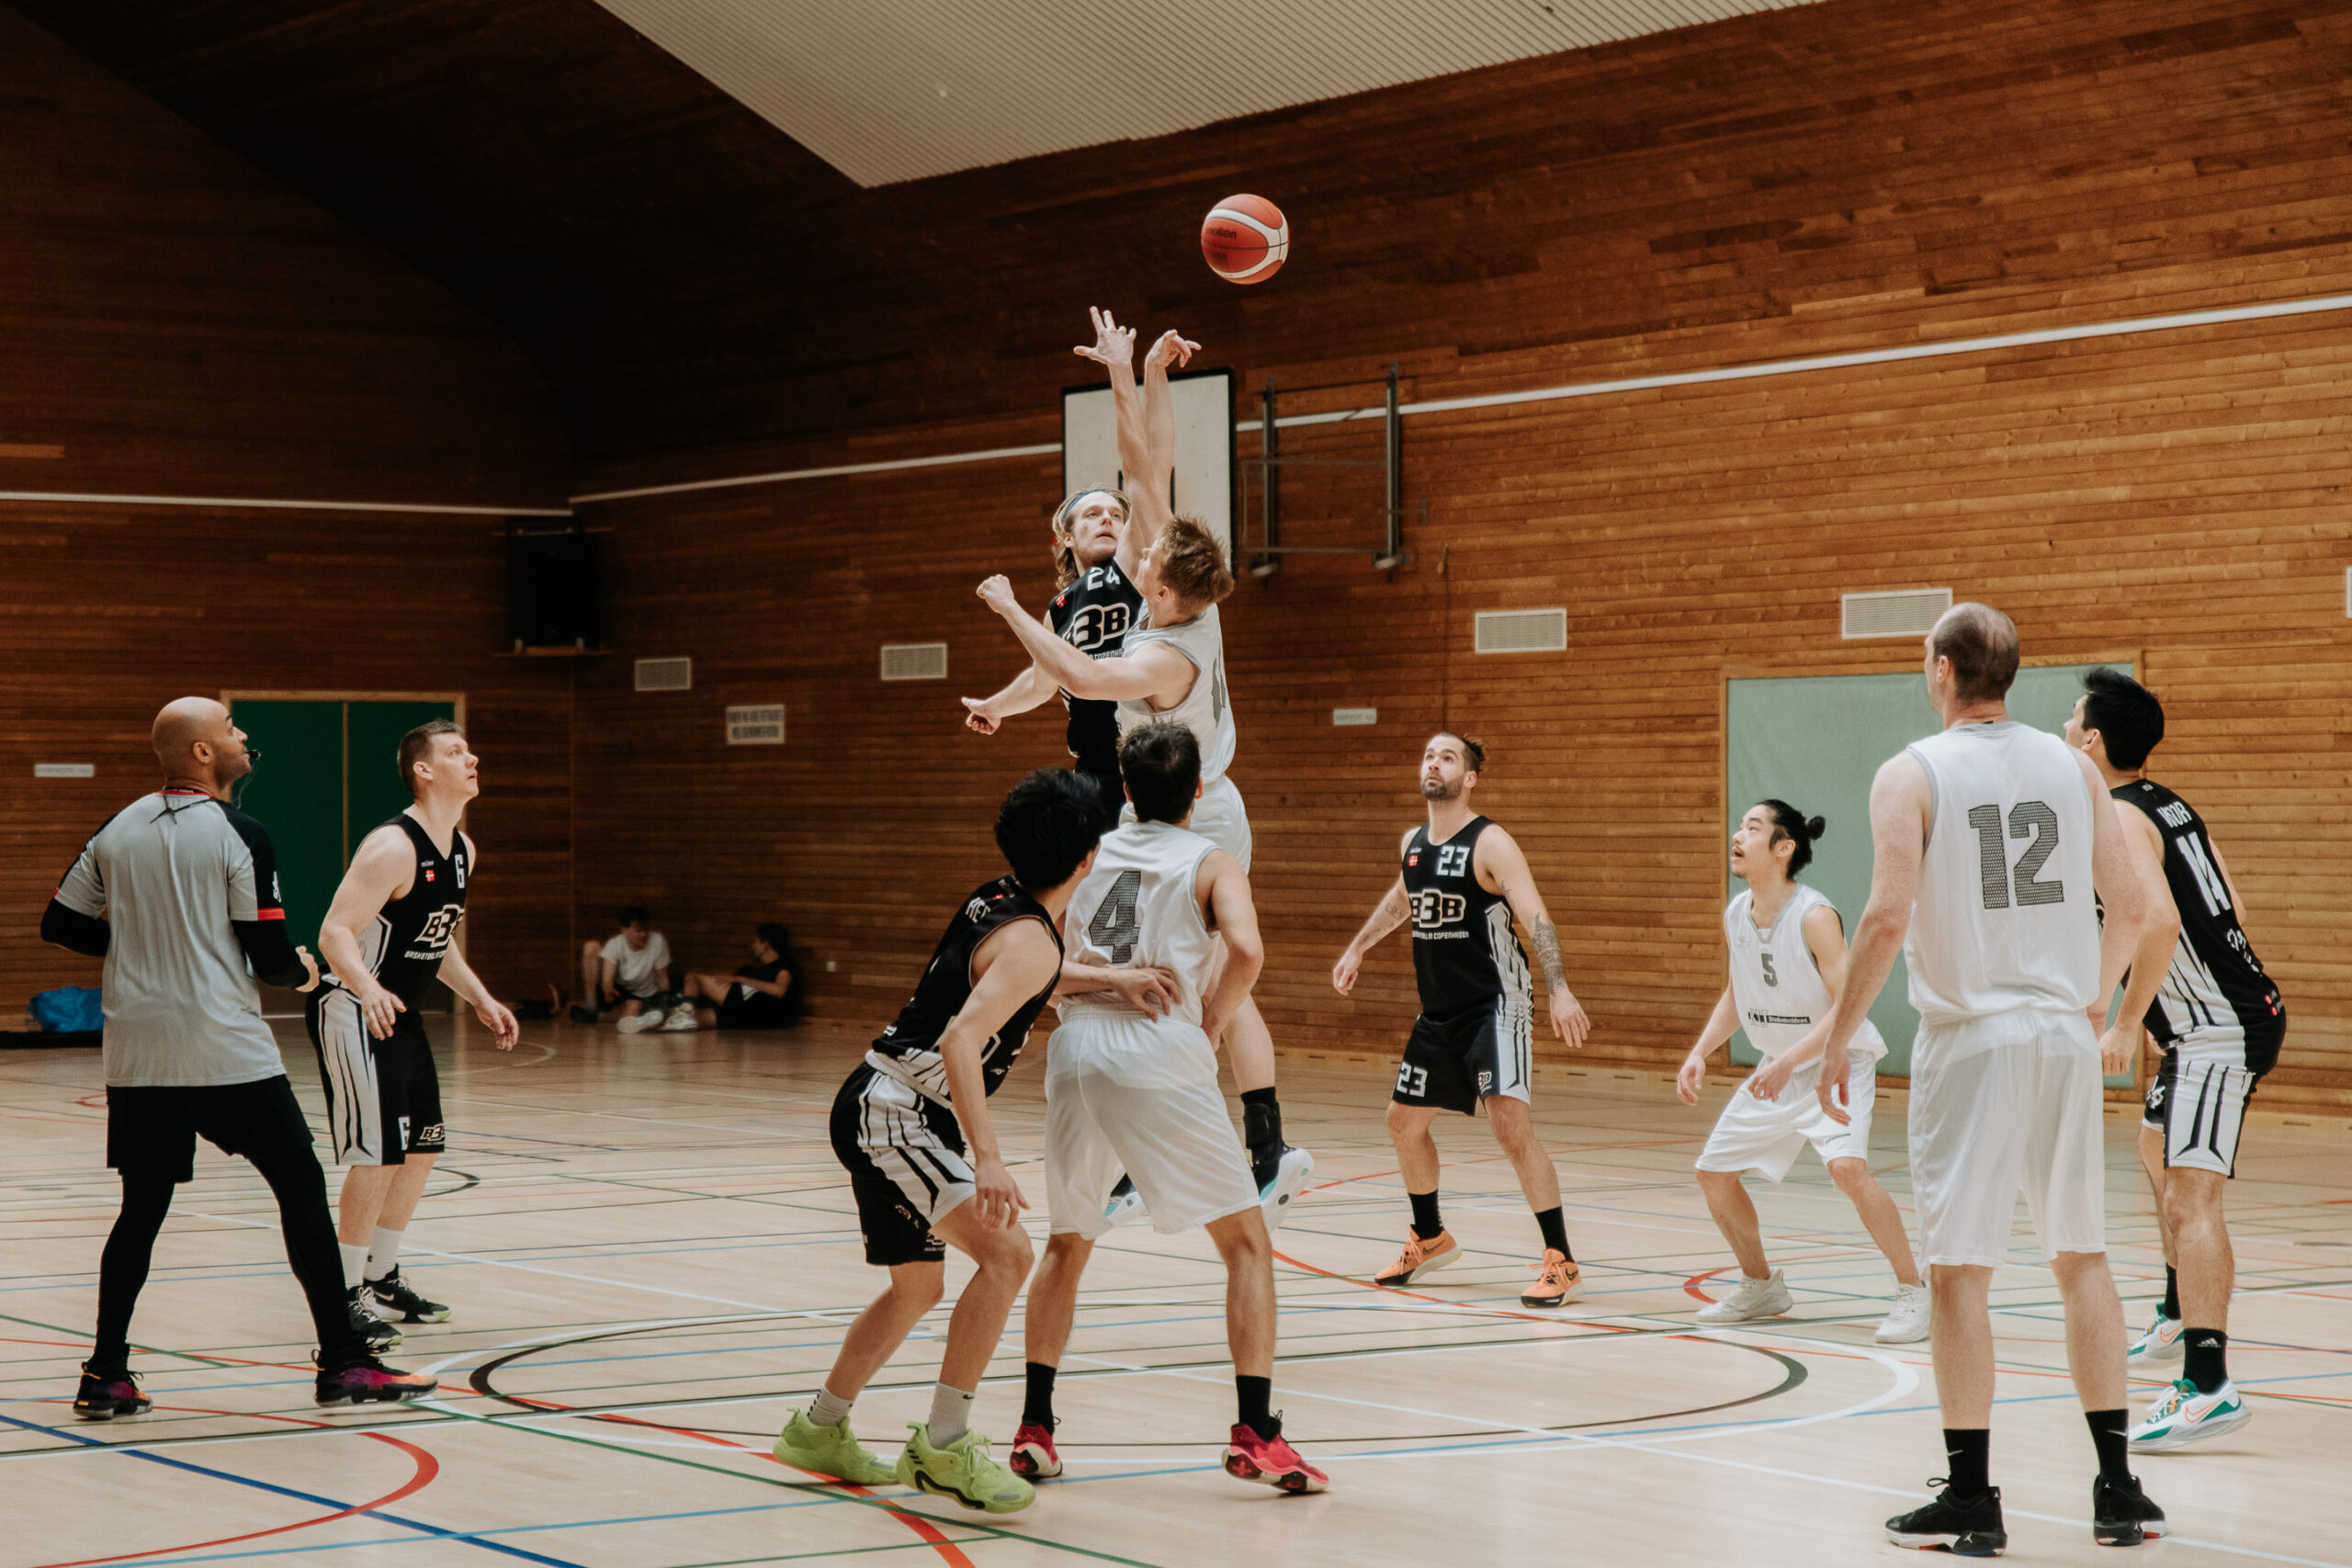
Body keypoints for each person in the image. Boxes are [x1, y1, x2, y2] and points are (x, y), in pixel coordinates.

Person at [1808, 604, 2175, 1552]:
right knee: (2081, 1258)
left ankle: (1972, 1498)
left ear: (1939, 670)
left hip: (1970, 1041)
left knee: (1959, 1275)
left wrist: (1835, 1039)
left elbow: (1885, 917)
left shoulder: (1911, 771)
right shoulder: (2073, 767)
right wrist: (2094, 1003)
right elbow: (2130, 906)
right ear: (2008, 674)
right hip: (2058, 1033)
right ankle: (2116, 1490)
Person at [975, 310, 1311, 1228]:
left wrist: (1006, 609)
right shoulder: (1147, 588)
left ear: (1158, 584)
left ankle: (1266, 1144)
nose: (1131, 533)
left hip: (1198, 810)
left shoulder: (1168, 649)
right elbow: (1144, 465)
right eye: (1111, 524)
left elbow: (1079, 672)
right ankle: (1143, 1149)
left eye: (1139, 542)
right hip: (1137, 807)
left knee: (1209, 975)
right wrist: (1137, 377)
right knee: (1123, 969)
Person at [41, 697, 434, 1411]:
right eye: (230, 728)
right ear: (200, 752)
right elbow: (270, 957)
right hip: (224, 1049)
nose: (243, 736)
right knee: (298, 1185)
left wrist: (138, 948)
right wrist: (308, 972)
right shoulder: (239, 832)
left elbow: (60, 921)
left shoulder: (117, 827)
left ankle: (105, 1372)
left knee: (142, 1209)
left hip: (138, 1055)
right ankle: (343, 1361)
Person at [770, 769, 1104, 1514]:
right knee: (1010, 1251)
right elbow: (962, 1037)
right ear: (1088, 858)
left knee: (917, 1286)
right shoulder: (1034, 945)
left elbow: (1017, 973)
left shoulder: (1000, 898)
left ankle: (819, 1428)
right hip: (899, 1111)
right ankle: (945, 1444)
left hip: (878, 1096)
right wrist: (988, 1155)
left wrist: (1110, 980)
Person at [1013, 722, 1329, 1493]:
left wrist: (1098, 979)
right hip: (1156, 1048)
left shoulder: (1087, 850)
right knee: (1247, 1244)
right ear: (1197, 791)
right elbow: (1248, 950)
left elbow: (1038, 957)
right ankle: (1257, 1432)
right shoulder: (1211, 859)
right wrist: (1216, 1018)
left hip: (1077, 1047)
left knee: (1067, 1240)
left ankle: (1035, 1428)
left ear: (1124, 788)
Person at [2064, 667, 2281, 1451]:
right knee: (2156, 1150)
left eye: (2071, 719)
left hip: (2213, 1029)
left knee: (2193, 1201)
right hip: (2228, 1012)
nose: (2064, 729)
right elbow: (2234, 908)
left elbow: (2153, 919)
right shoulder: (2170, 804)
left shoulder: (2121, 819)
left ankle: (2209, 1381)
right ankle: (2175, 1307)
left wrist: (2125, 1020)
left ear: (2093, 739)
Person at [1331, 733, 1593, 1307]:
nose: (1434, 762)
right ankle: (1429, 1236)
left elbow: (1536, 917)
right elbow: (1403, 900)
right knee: (1402, 1123)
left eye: (1447, 757)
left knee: (1509, 1127)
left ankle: (1561, 1260)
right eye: (1428, 754)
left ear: (1469, 778)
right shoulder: (1414, 843)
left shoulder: (1492, 842)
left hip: (1497, 1003)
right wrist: (1357, 949)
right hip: (1439, 1010)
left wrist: (1561, 989)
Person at [1673, 800, 1928, 1344]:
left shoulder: (1814, 916)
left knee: (1847, 1171)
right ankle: (1762, 1285)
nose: (1738, 836)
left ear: (1783, 848)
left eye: (1753, 828)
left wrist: (1791, 1060)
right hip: (1780, 1067)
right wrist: (1699, 1050)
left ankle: (1914, 1291)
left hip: (1836, 1061)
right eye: (1739, 827)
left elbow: (1848, 1004)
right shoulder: (1736, 912)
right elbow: (1739, 993)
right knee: (1713, 1174)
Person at [310, 719, 519, 1344]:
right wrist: (369, 987)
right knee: (376, 1155)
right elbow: (333, 932)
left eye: (470, 749)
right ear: (424, 770)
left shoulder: (461, 848)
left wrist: (480, 995)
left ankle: (382, 1275)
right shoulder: (392, 846)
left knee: (422, 1147)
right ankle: (341, 1296)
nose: (472, 757)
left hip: (402, 1016)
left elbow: (436, 938)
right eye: (457, 752)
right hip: (354, 1008)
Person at [668, 923, 803, 1032]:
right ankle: (671, 1014)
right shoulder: (753, 970)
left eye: (755, 942)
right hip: (739, 1015)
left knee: (693, 977)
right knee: (678, 1021)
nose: (752, 946)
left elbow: (779, 990)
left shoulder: (784, 964)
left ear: (766, 944)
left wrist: (743, 980)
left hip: (755, 1009)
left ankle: (685, 1009)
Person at [575, 907, 671, 1029]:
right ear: (624, 930)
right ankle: (591, 1006)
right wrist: (608, 990)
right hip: (623, 992)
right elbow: (607, 979)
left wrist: (664, 1003)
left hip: (646, 996)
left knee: (633, 1007)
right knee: (591, 946)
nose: (644, 934)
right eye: (639, 931)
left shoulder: (658, 941)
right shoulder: (615, 944)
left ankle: (599, 1017)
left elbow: (662, 978)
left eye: (646, 930)